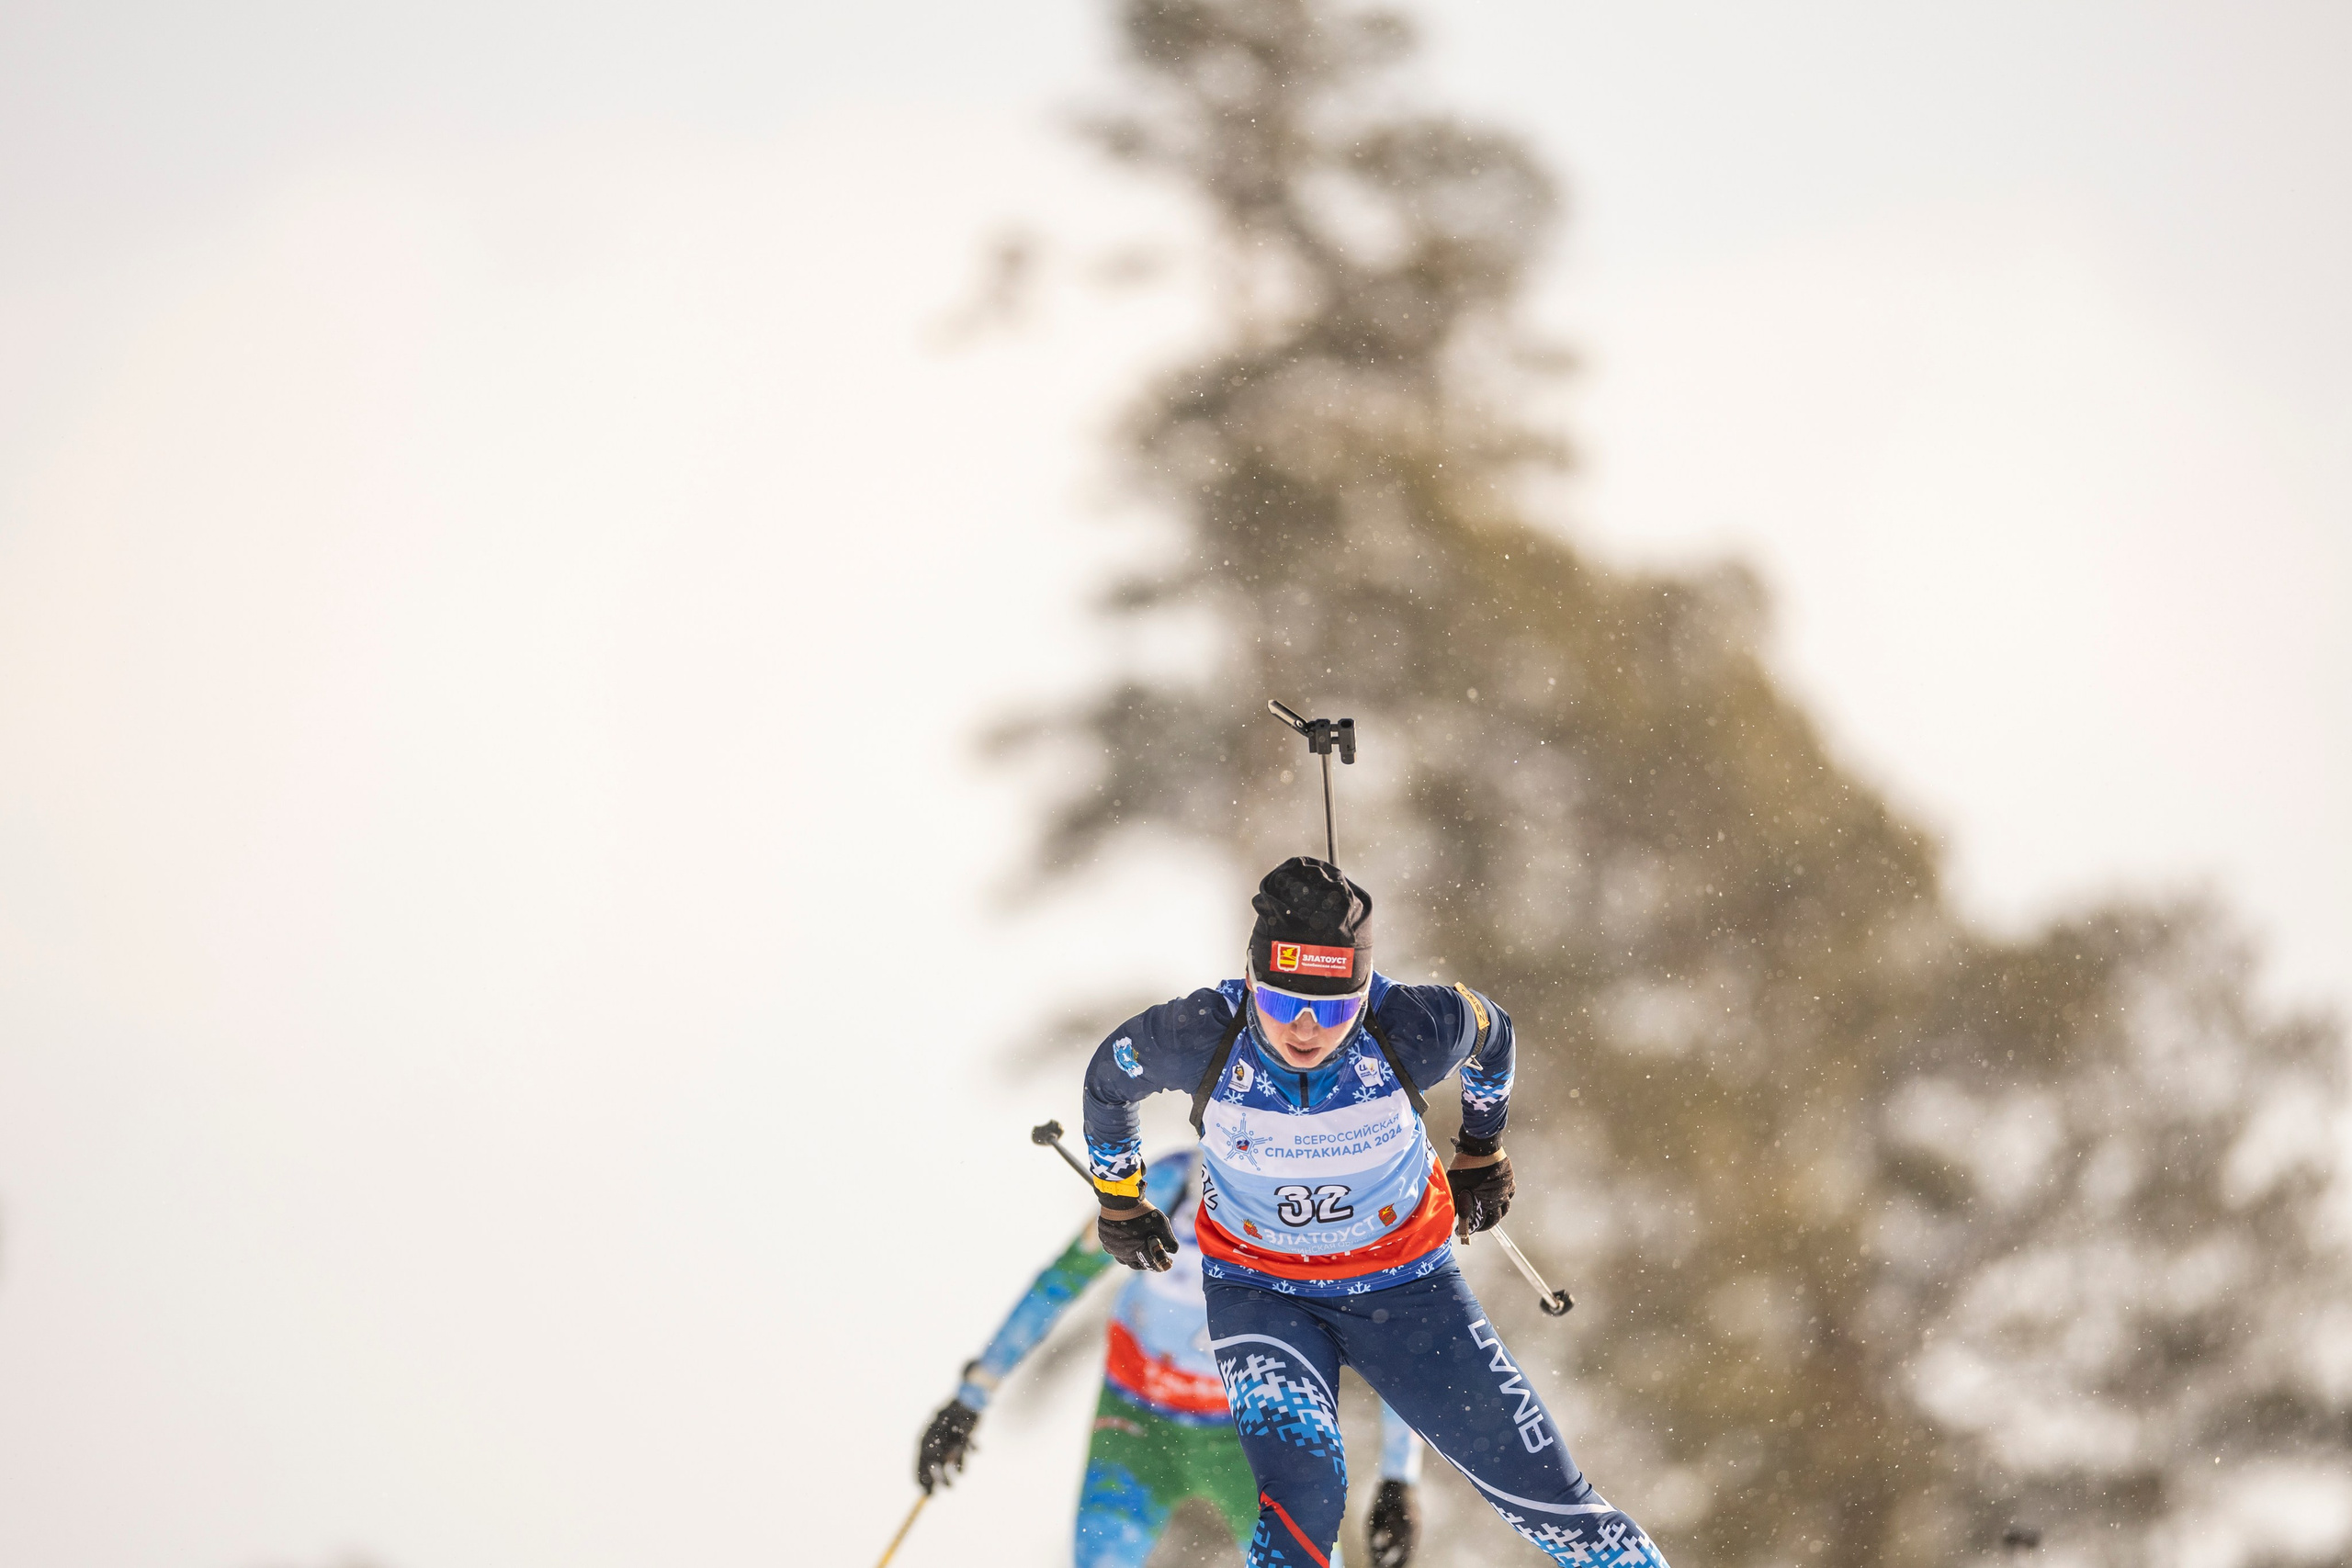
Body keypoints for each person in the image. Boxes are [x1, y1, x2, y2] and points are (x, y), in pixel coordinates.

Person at [1080, 858, 1673, 1568]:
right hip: (1261, 1292)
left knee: (1553, 1502)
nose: (1306, 1028)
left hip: (1407, 1287)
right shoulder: (1200, 1034)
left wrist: (1481, 1148)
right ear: (1250, 981)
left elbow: (1496, 1036)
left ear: (1363, 994)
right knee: (1304, 1493)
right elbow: (1107, 1083)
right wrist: (1120, 1197)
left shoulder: (1412, 1026)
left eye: (1333, 1008)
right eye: (1282, 1002)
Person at [915, 1145, 1428, 1568]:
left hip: (1257, 1439)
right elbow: (1060, 1283)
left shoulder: (1330, 1219)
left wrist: (1399, 1479)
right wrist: (970, 1398)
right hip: (1138, 1425)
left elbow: (1387, 1342)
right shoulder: (1165, 1186)